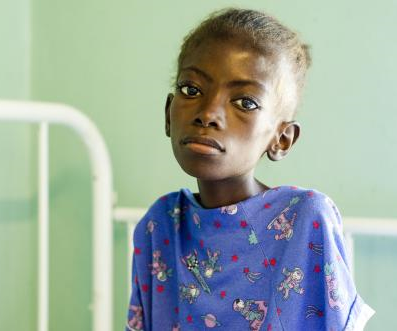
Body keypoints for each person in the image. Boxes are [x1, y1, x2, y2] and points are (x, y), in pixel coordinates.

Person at [125, 7, 374, 331]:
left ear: (281, 139)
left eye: (245, 102)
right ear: (169, 113)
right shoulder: (159, 225)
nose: (208, 113)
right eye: (192, 89)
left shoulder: (306, 219)